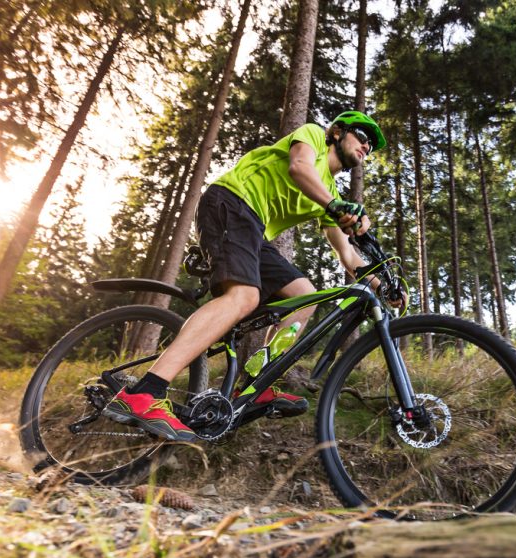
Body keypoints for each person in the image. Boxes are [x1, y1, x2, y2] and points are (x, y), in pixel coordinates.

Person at [102, 111, 392, 442]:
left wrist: (382, 285)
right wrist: (337, 206)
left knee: (304, 295)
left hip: (256, 234)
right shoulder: (312, 137)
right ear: (337, 132)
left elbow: (348, 256)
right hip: (232, 202)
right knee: (244, 297)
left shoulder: (327, 191)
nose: (367, 146)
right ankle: (144, 393)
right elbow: (299, 167)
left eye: (371, 146)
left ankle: (259, 383)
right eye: (362, 136)